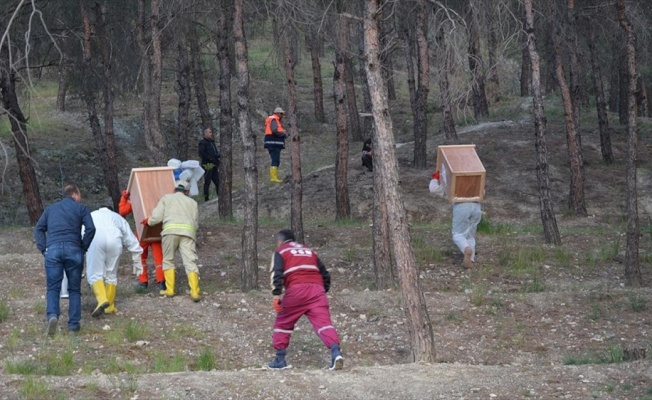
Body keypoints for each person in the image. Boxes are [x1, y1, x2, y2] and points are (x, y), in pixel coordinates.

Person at [266, 229, 344, 371]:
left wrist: (276, 295)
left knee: (283, 321)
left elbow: (276, 273)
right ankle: (336, 353)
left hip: (296, 289)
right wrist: (321, 291)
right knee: (324, 323)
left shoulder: (281, 251)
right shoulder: (310, 251)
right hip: (317, 290)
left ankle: (280, 359)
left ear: (280, 241)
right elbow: (325, 274)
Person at [34, 183, 96, 336]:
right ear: (75, 194)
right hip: (74, 249)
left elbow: (38, 229)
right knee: (74, 289)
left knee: (53, 288)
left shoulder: (50, 209)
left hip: (53, 250)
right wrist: (83, 247)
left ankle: (52, 316)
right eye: (79, 195)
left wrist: (44, 248)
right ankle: (73, 326)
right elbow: (91, 228)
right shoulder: (80, 208)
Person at [145, 180, 200, 302]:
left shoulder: (166, 198)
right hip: (187, 233)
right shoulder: (192, 202)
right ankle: (195, 292)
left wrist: (149, 221)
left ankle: (170, 290)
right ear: (187, 191)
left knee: (169, 260)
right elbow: (195, 223)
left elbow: (156, 217)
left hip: (170, 232)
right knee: (190, 261)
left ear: (175, 189)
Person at [86, 206, 143, 316]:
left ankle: (102, 300)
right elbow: (129, 236)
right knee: (111, 274)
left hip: (96, 238)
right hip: (115, 239)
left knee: (94, 274)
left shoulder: (91, 215)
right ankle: (110, 306)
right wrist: (137, 257)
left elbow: (83, 230)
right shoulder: (117, 217)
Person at [429, 170, 482, 269]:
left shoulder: (450, 174)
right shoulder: (474, 173)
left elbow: (434, 189)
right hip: (476, 206)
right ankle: (471, 259)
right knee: (470, 234)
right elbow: (482, 191)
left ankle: (466, 249)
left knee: (458, 234)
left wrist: (435, 179)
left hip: (461, 205)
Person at [118, 189, 166, 291]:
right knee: (159, 259)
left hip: (142, 231)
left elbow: (122, 210)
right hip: (155, 230)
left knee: (140, 257)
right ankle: (161, 282)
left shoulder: (137, 199)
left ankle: (143, 282)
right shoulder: (159, 198)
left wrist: (124, 198)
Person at [264, 107, 288, 183]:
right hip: (273, 143)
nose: (282, 115)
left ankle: (274, 177)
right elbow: (274, 131)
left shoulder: (274, 120)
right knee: (275, 160)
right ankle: (273, 178)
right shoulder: (274, 120)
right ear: (277, 113)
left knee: (276, 160)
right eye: (281, 114)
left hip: (273, 143)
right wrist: (283, 134)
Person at [198, 127, 221, 202]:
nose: (211, 134)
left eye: (211, 132)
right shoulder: (202, 143)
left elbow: (215, 152)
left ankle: (220, 197)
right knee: (207, 182)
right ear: (205, 133)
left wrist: (218, 156)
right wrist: (209, 158)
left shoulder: (211, 142)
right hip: (207, 165)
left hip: (214, 164)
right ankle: (206, 198)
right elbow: (201, 153)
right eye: (210, 132)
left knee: (217, 182)